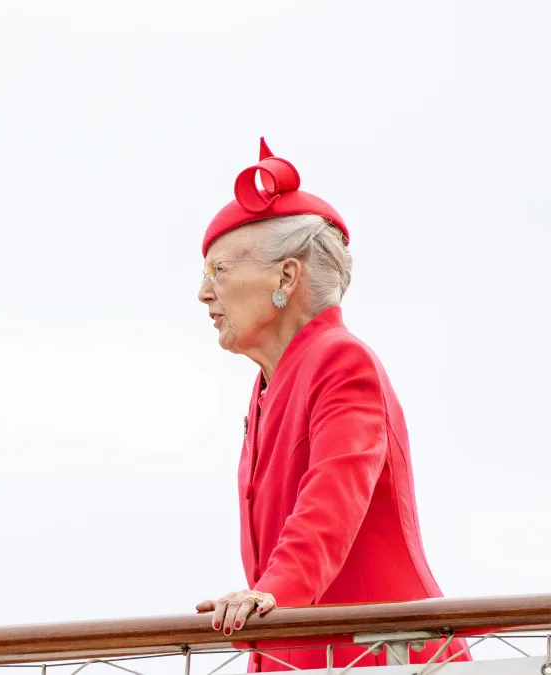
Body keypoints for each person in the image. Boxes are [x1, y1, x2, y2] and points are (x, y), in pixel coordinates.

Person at [193, 140, 469, 671]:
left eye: (220, 270)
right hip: (305, 655)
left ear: (287, 277)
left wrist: (269, 593)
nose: (204, 293)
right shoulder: (269, 382)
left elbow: (331, 500)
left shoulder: (341, 359)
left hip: (381, 656)